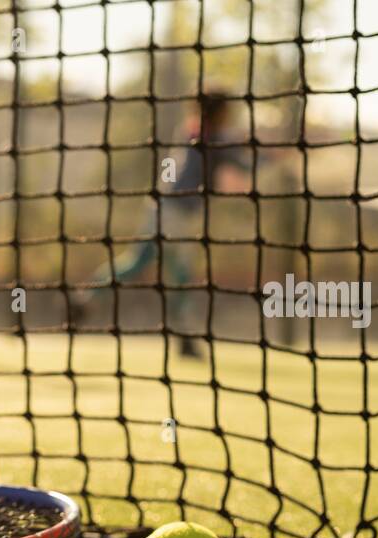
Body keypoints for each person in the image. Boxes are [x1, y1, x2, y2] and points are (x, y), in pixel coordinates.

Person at [71, 93, 252, 356]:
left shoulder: (196, 131)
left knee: (139, 262)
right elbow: (241, 162)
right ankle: (185, 337)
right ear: (219, 112)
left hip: (161, 208)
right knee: (180, 275)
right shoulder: (210, 136)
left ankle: (85, 298)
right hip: (174, 214)